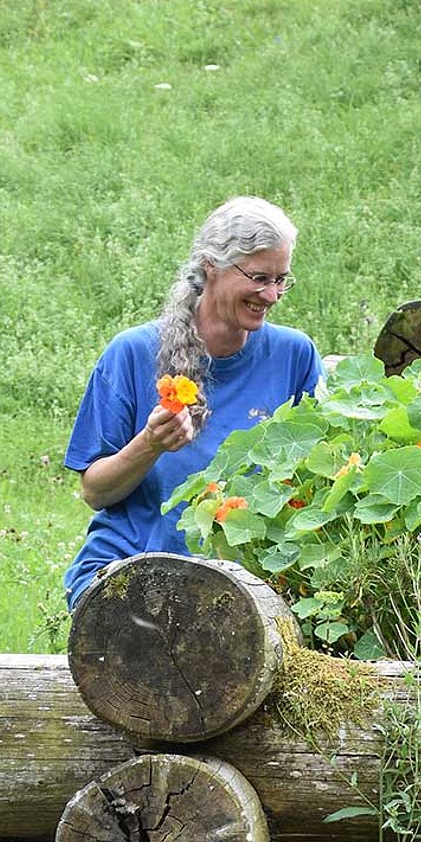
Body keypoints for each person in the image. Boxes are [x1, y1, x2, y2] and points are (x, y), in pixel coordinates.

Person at [63, 196, 323, 610]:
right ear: (210, 266)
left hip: (251, 580)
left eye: (281, 279)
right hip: (133, 571)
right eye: (258, 277)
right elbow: (95, 492)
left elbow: (318, 480)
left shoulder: (294, 355)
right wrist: (149, 444)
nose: (272, 295)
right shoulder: (131, 353)